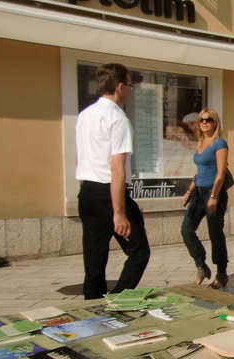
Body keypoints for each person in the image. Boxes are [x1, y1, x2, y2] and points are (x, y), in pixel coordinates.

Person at [75, 63, 150, 300]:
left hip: (87, 191)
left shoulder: (85, 115)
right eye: (130, 85)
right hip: (109, 193)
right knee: (139, 252)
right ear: (120, 87)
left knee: (94, 256)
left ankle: (91, 304)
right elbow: (117, 170)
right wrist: (119, 213)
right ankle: (116, 300)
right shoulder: (117, 119)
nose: (131, 90)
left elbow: (83, 156)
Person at [181, 108, 230, 290]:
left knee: (215, 233)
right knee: (186, 230)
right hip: (198, 193)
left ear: (215, 122)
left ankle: (221, 273)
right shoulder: (201, 143)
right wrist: (189, 190)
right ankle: (201, 266)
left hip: (213, 192)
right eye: (201, 120)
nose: (204, 122)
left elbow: (221, 173)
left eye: (208, 119)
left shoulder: (220, 143)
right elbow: (200, 171)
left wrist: (213, 196)